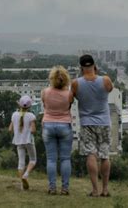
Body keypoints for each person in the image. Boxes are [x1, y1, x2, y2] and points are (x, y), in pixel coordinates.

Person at [71, 54, 113, 197]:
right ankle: (105, 189)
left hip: (87, 122)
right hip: (104, 122)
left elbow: (74, 97)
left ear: (81, 67)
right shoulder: (105, 80)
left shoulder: (76, 83)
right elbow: (110, 89)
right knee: (105, 155)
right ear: (94, 65)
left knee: (91, 154)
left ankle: (95, 190)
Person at [41, 65, 74, 195]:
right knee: (65, 159)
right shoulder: (69, 94)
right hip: (65, 125)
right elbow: (69, 106)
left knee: (51, 159)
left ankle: (52, 187)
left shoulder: (45, 92)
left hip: (48, 125)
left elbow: (44, 105)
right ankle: (65, 188)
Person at [9, 95, 37, 190]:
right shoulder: (31, 116)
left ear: (19, 105)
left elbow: (10, 129)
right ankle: (26, 175)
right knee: (33, 160)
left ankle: (22, 185)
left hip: (18, 140)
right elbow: (33, 130)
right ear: (29, 106)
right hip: (28, 140)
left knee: (21, 162)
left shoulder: (14, 115)